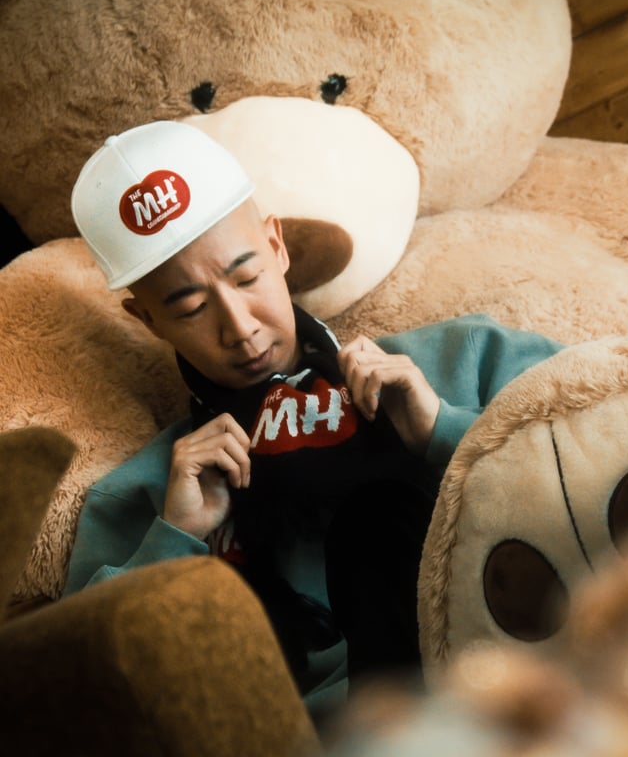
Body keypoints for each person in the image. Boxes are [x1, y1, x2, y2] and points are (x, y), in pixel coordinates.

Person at [65, 120, 563, 708]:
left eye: (247, 277)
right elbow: (73, 691)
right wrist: (175, 538)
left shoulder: (459, 359)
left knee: (381, 518)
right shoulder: (152, 495)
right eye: (192, 308)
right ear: (147, 320)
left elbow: (619, 440)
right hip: (330, 734)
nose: (239, 327)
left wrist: (444, 430)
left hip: (533, 679)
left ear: (277, 246)